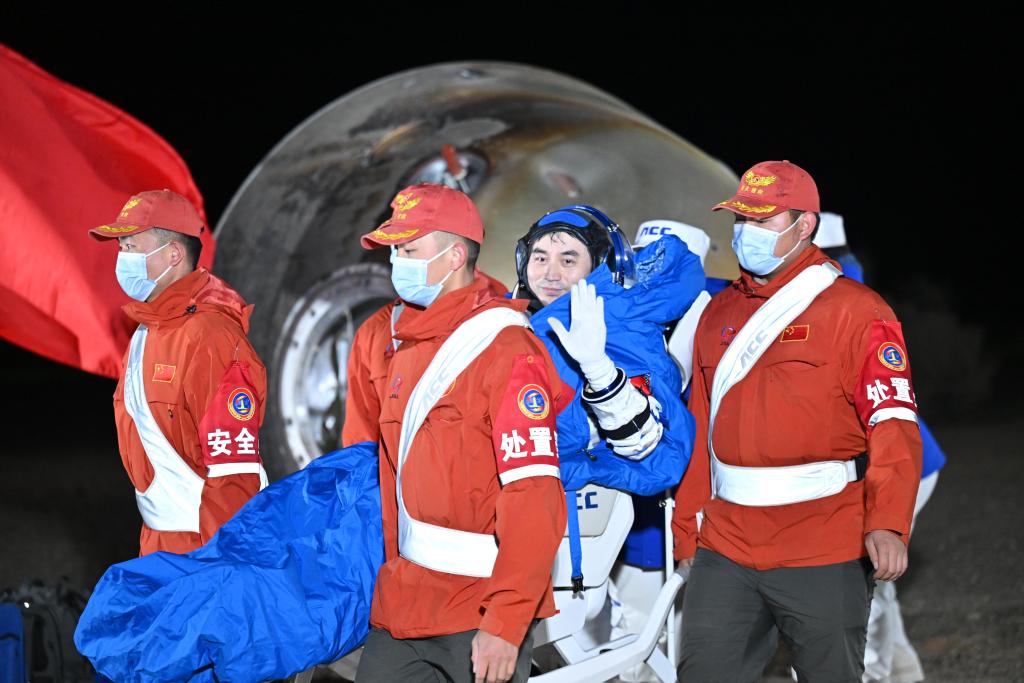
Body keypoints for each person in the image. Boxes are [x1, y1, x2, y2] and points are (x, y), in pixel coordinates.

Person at [671, 161, 923, 682]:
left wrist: (888, 522)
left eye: (762, 221)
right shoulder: (717, 313)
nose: (745, 232)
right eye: (741, 219)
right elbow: (701, 429)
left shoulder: (857, 311)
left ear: (804, 225)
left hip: (825, 541)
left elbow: (893, 422)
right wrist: (686, 530)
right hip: (726, 542)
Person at [352, 183, 569, 683]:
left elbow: (533, 493)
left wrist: (506, 622)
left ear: (453, 257)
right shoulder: (405, 344)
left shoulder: (507, 348)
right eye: (394, 251)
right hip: (404, 600)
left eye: (409, 250)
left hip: (478, 608)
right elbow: (392, 477)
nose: (396, 262)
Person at [89, 189, 268, 556]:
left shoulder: (211, 337)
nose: (122, 258)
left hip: (205, 544)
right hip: (161, 540)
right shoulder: (145, 330)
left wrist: (220, 567)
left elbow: (233, 473)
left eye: (131, 246)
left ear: (173, 254)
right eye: (120, 247)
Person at [815, 212, 946, 683]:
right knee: (878, 579)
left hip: (896, 464)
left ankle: (872, 673)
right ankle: (905, 670)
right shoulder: (844, 275)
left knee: (862, 579)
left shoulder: (838, 284)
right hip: (899, 460)